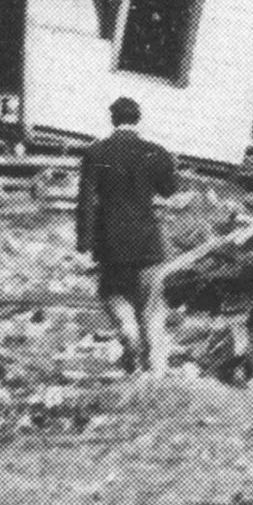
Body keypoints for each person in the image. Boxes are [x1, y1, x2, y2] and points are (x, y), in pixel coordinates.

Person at [75, 97, 179, 376]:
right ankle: (156, 371)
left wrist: (84, 242)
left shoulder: (96, 153)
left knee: (112, 293)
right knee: (152, 304)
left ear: (112, 119)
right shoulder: (156, 153)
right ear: (138, 119)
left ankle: (129, 333)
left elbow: (85, 200)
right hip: (147, 241)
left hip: (111, 243)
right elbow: (169, 189)